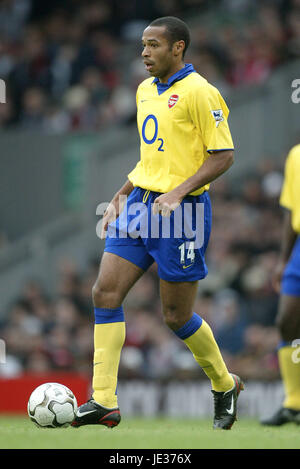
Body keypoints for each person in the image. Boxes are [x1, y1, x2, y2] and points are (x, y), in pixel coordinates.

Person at [72, 16, 244, 431]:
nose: (145, 53)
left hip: (181, 214)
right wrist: (124, 190)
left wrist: (178, 192)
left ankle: (224, 383)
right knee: (105, 293)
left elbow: (223, 155)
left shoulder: (202, 93)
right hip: (141, 204)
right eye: (143, 45)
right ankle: (104, 401)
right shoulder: (145, 90)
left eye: (153, 45)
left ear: (178, 48)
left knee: (176, 317)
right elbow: (156, 154)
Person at [261, 144, 300, 426]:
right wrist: (283, 259)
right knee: (287, 320)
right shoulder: (296, 155)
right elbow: (290, 210)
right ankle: (294, 403)